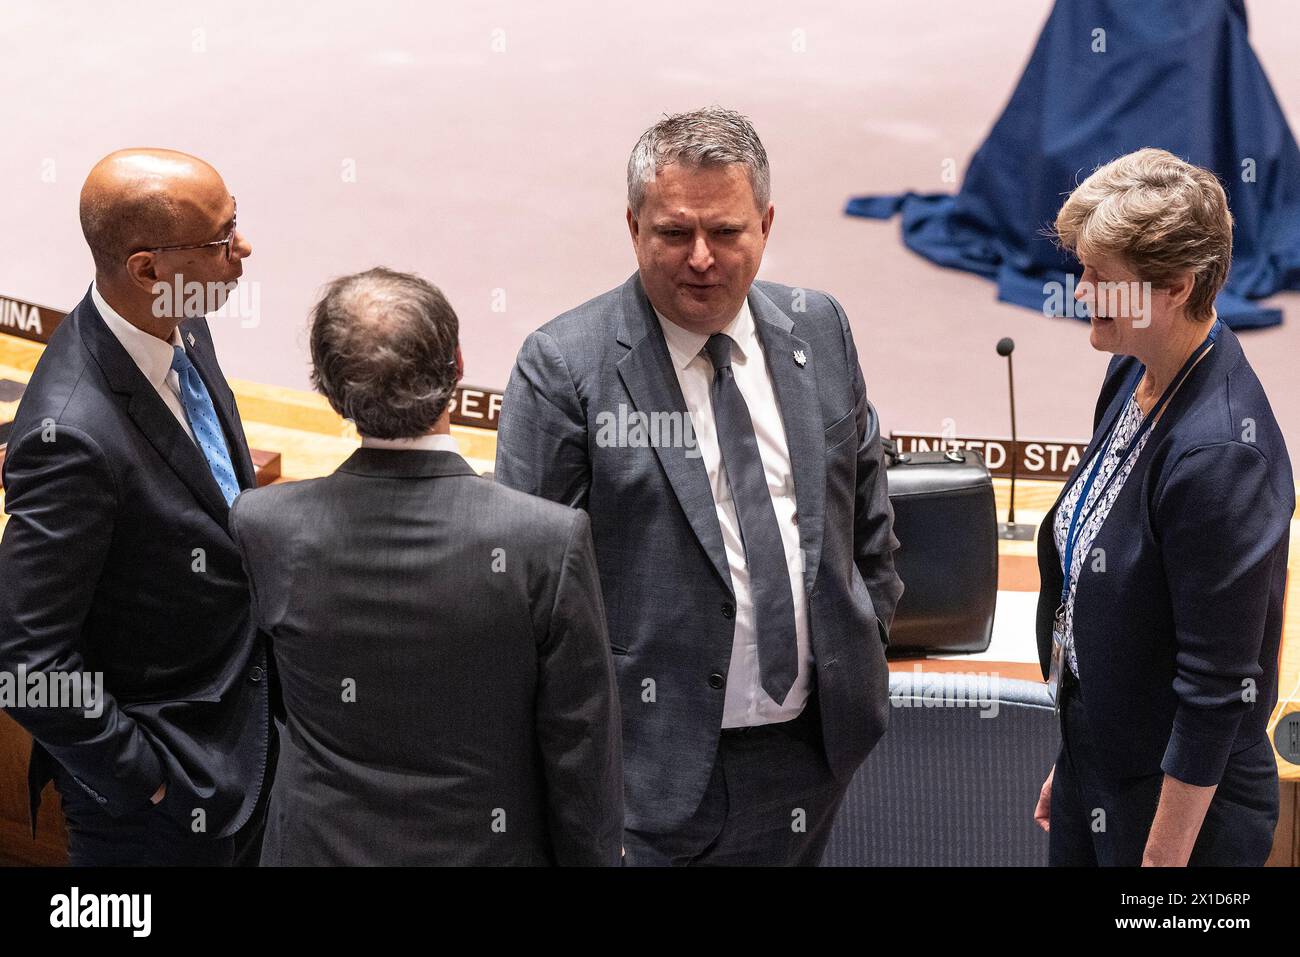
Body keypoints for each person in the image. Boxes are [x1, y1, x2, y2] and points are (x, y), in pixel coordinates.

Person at [495, 107, 902, 865]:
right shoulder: (564, 368)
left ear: (767, 224)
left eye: (727, 231)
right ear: (632, 226)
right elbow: (526, 591)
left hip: (813, 757)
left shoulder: (821, 328)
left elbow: (867, 518)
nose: (703, 258)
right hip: (645, 776)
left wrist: (866, 635)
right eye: (675, 233)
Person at [229, 268, 622, 866]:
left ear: (329, 389)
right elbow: (579, 750)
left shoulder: (264, 526)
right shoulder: (546, 541)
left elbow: (264, 703)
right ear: (457, 367)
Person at [0, 149, 271, 865]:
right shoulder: (72, 436)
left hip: (235, 745)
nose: (242, 249)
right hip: (158, 810)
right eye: (221, 239)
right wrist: (149, 782)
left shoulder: (183, 325)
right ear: (149, 269)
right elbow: (27, 661)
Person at [1032, 148, 1294, 866]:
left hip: (1182, 810)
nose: (1079, 292)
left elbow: (1215, 693)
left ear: (1176, 286)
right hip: (1108, 755)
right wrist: (1078, 752)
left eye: (1101, 278)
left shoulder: (1220, 459)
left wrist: (1160, 861)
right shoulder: (1136, 367)